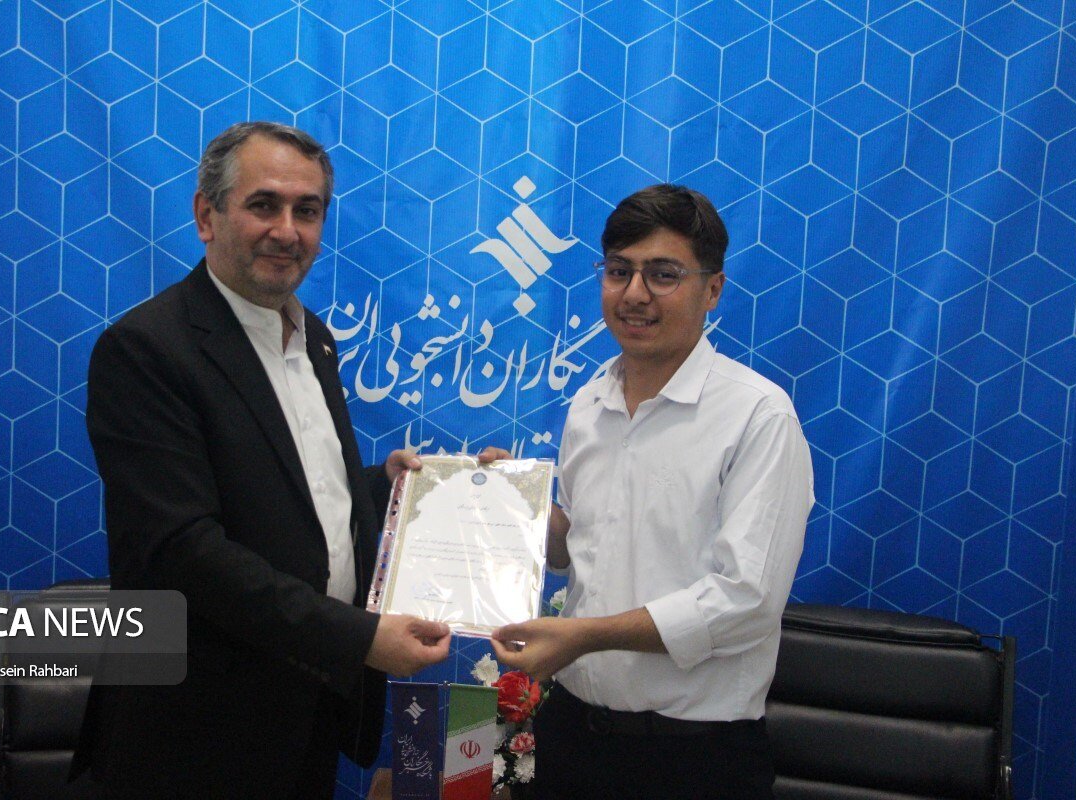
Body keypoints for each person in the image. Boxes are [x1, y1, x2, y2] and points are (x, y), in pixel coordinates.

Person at [72, 121, 451, 798]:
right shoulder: (147, 350)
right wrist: (357, 637)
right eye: (263, 205)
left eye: (308, 210)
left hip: (307, 710)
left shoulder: (316, 339)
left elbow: (291, 491)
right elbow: (182, 550)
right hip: (196, 731)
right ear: (206, 216)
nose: (287, 230)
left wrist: (381, 487)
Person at [490, 185, 814, 799]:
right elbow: (581, 550)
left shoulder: (758, 416)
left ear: (712, 290)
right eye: (619, 271)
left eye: (663, 275)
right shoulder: (589, 403)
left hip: (692, 757)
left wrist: (587, 635)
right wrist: (521, 509)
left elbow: (745, 602)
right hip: (571, 735)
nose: (634, 294)